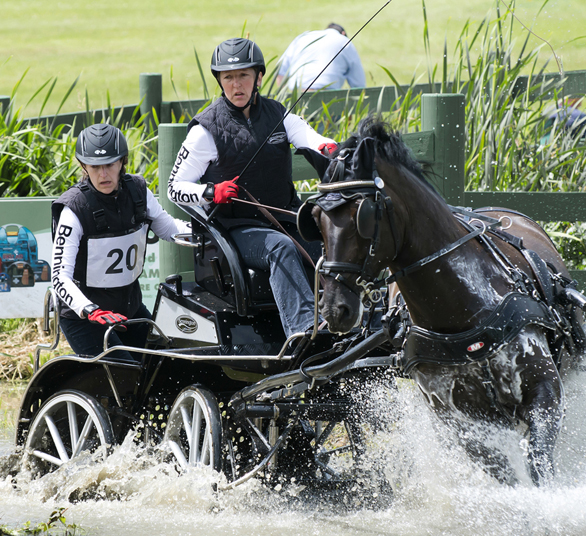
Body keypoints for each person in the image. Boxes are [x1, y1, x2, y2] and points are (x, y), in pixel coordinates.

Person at [168, 37, 338, 338]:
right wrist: (210, 192)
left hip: (285, 217)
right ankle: (304, 331)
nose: (236, 85)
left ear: (258, 77)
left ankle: (346, 316)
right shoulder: (205, 130)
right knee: (280, 247)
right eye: (228, 78)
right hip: (235, 229)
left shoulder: (278, 114)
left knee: (333, 240)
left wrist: (326, 146)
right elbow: (174, 187)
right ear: (220, 81)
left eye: (243, 76)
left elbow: (307, 136)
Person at [51, 123, 189, 361]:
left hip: (130, 310)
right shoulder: (73, 209)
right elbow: (59, 277)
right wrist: (90, 310)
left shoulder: (138, 191)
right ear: (84, 166)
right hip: (85, 319)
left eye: (110, 165)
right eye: (95, 167)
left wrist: (208, 235)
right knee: (127, 377)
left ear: (122, 162)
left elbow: (169, 228)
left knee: (167, 365)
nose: (103, 174)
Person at [276, 23, 366, 92]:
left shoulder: (302, 37)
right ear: (343, 33)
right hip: (328, 100)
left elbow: (280, 72)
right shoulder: (345, 41)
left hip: (297, 96)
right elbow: (359, 86)